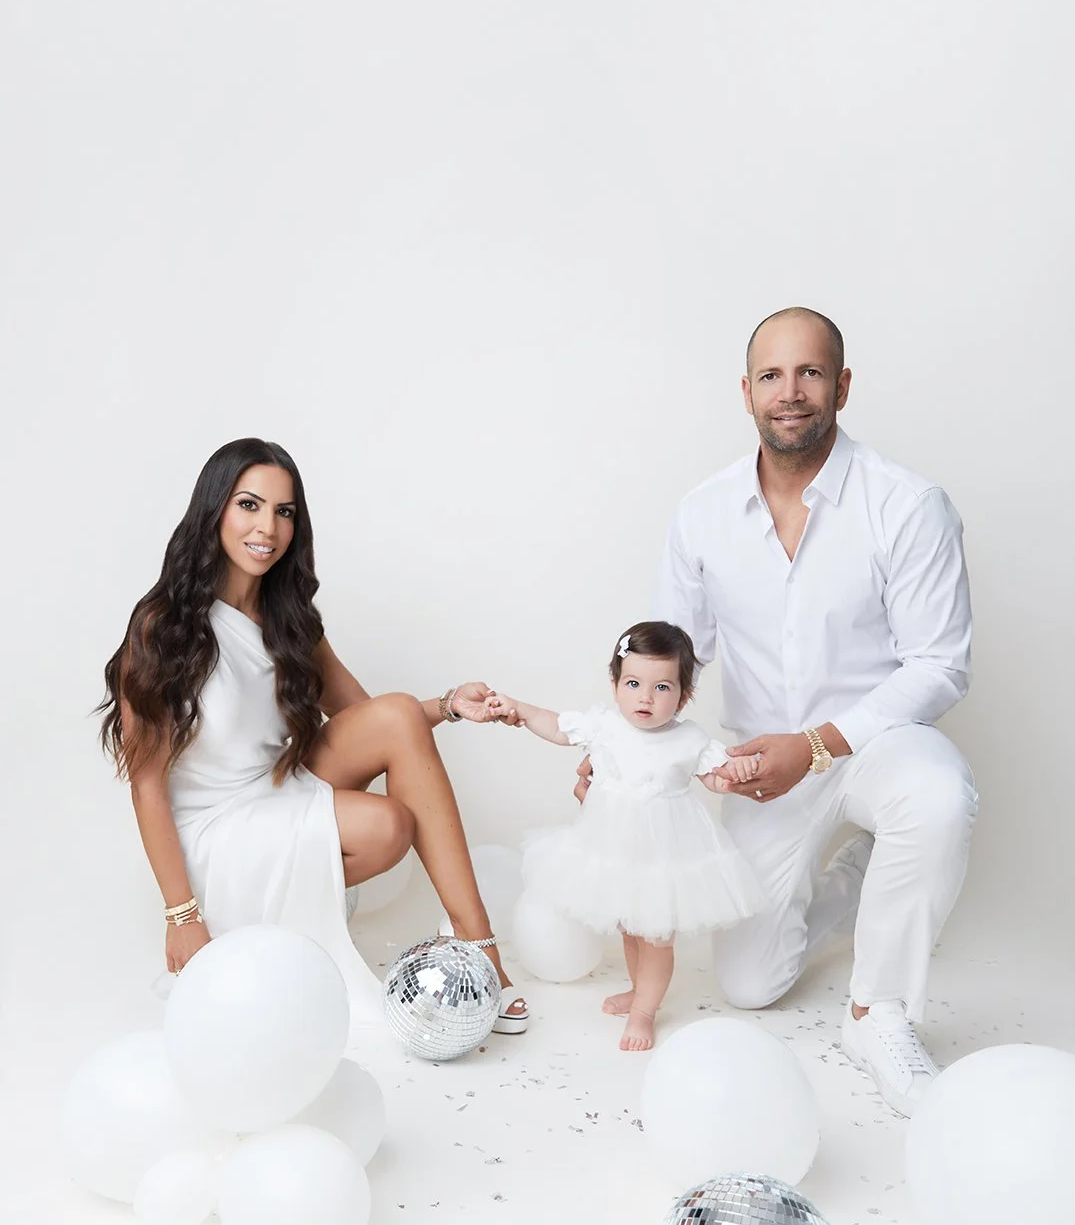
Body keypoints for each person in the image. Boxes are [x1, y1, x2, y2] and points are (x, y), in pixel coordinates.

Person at [620, 306, 977, 1114]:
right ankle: (852, 883)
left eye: (810, 372)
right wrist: (623, 741)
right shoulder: (701, 513)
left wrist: (817, 744)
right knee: (749, 984)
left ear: (842, 386)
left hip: (874, 744)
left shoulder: (907, 505)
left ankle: (877, 1010)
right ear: (744, 392)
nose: (791, 392)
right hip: (762, 770)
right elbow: (674, 653)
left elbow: (939, 664)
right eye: (772, 376)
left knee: (938, 794)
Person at [97, 437, 529, 1041]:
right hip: (217, 831)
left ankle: (483, 949)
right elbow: (145, 786)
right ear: (214, 509)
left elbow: (376, 718)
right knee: (387, 825)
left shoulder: (287, 616)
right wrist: (181, 914)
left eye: (284, 512)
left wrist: (448, 707)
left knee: (401, 712)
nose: (267, 528)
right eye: (249, 505)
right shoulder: (164, 625)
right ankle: (246, 905)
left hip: (276, 790)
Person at [484, 621, 766, 1051]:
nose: (645, 698)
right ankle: (639, 992)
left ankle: (645, 1011)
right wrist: (518, 709)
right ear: (615, 682)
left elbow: (715, 777)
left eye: (662, 688)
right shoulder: (605, 725)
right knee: (631, 928)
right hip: (612, 849)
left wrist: (736, 773)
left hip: (663, 854)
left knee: (655, 935)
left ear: (685, 695)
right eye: (633, 683)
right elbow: (558, 727)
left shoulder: (689, 738)